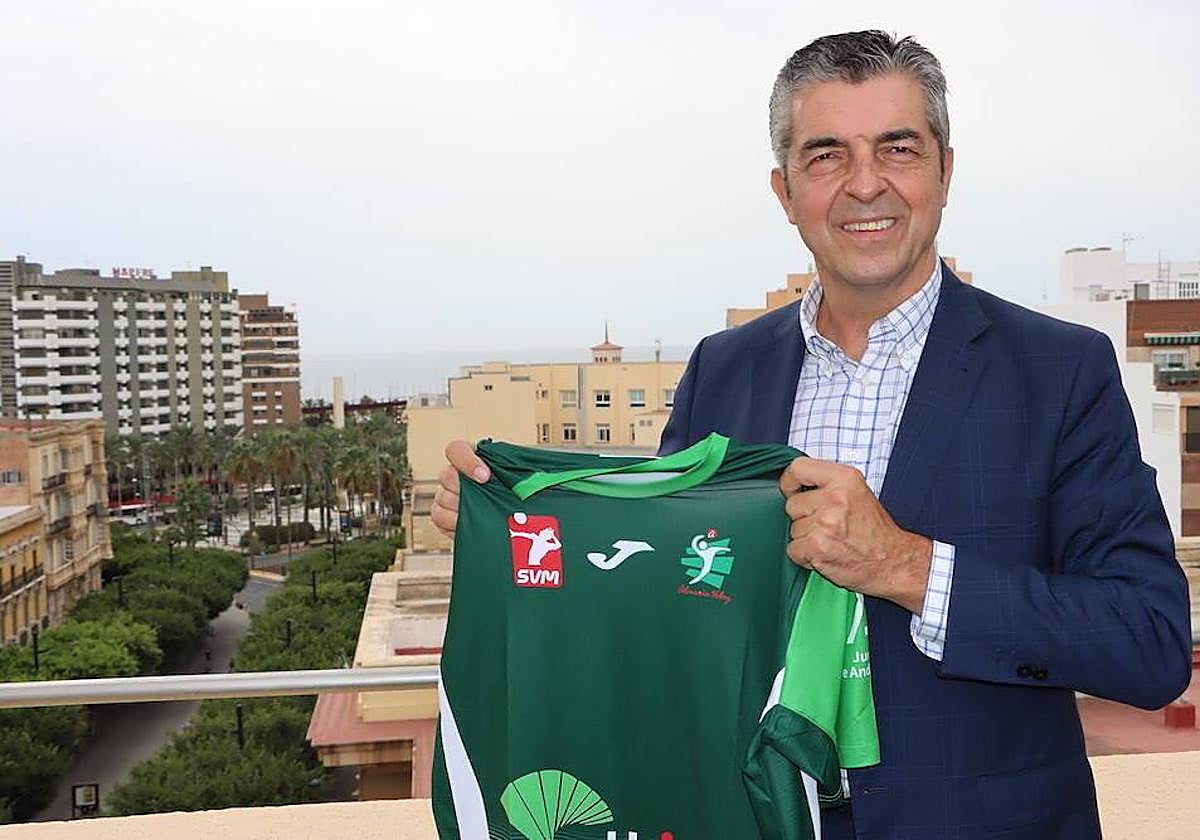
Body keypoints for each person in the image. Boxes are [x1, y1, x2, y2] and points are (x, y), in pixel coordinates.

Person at [431, 30, 1192, 839]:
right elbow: (665, 604)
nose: (866, 185)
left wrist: (906, 566)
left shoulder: (1060, 371)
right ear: (784, 189)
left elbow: (1145, 644)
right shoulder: (722, 372)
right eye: (826, 155)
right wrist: (522, 523)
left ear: (945, 171)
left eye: (898, 147)